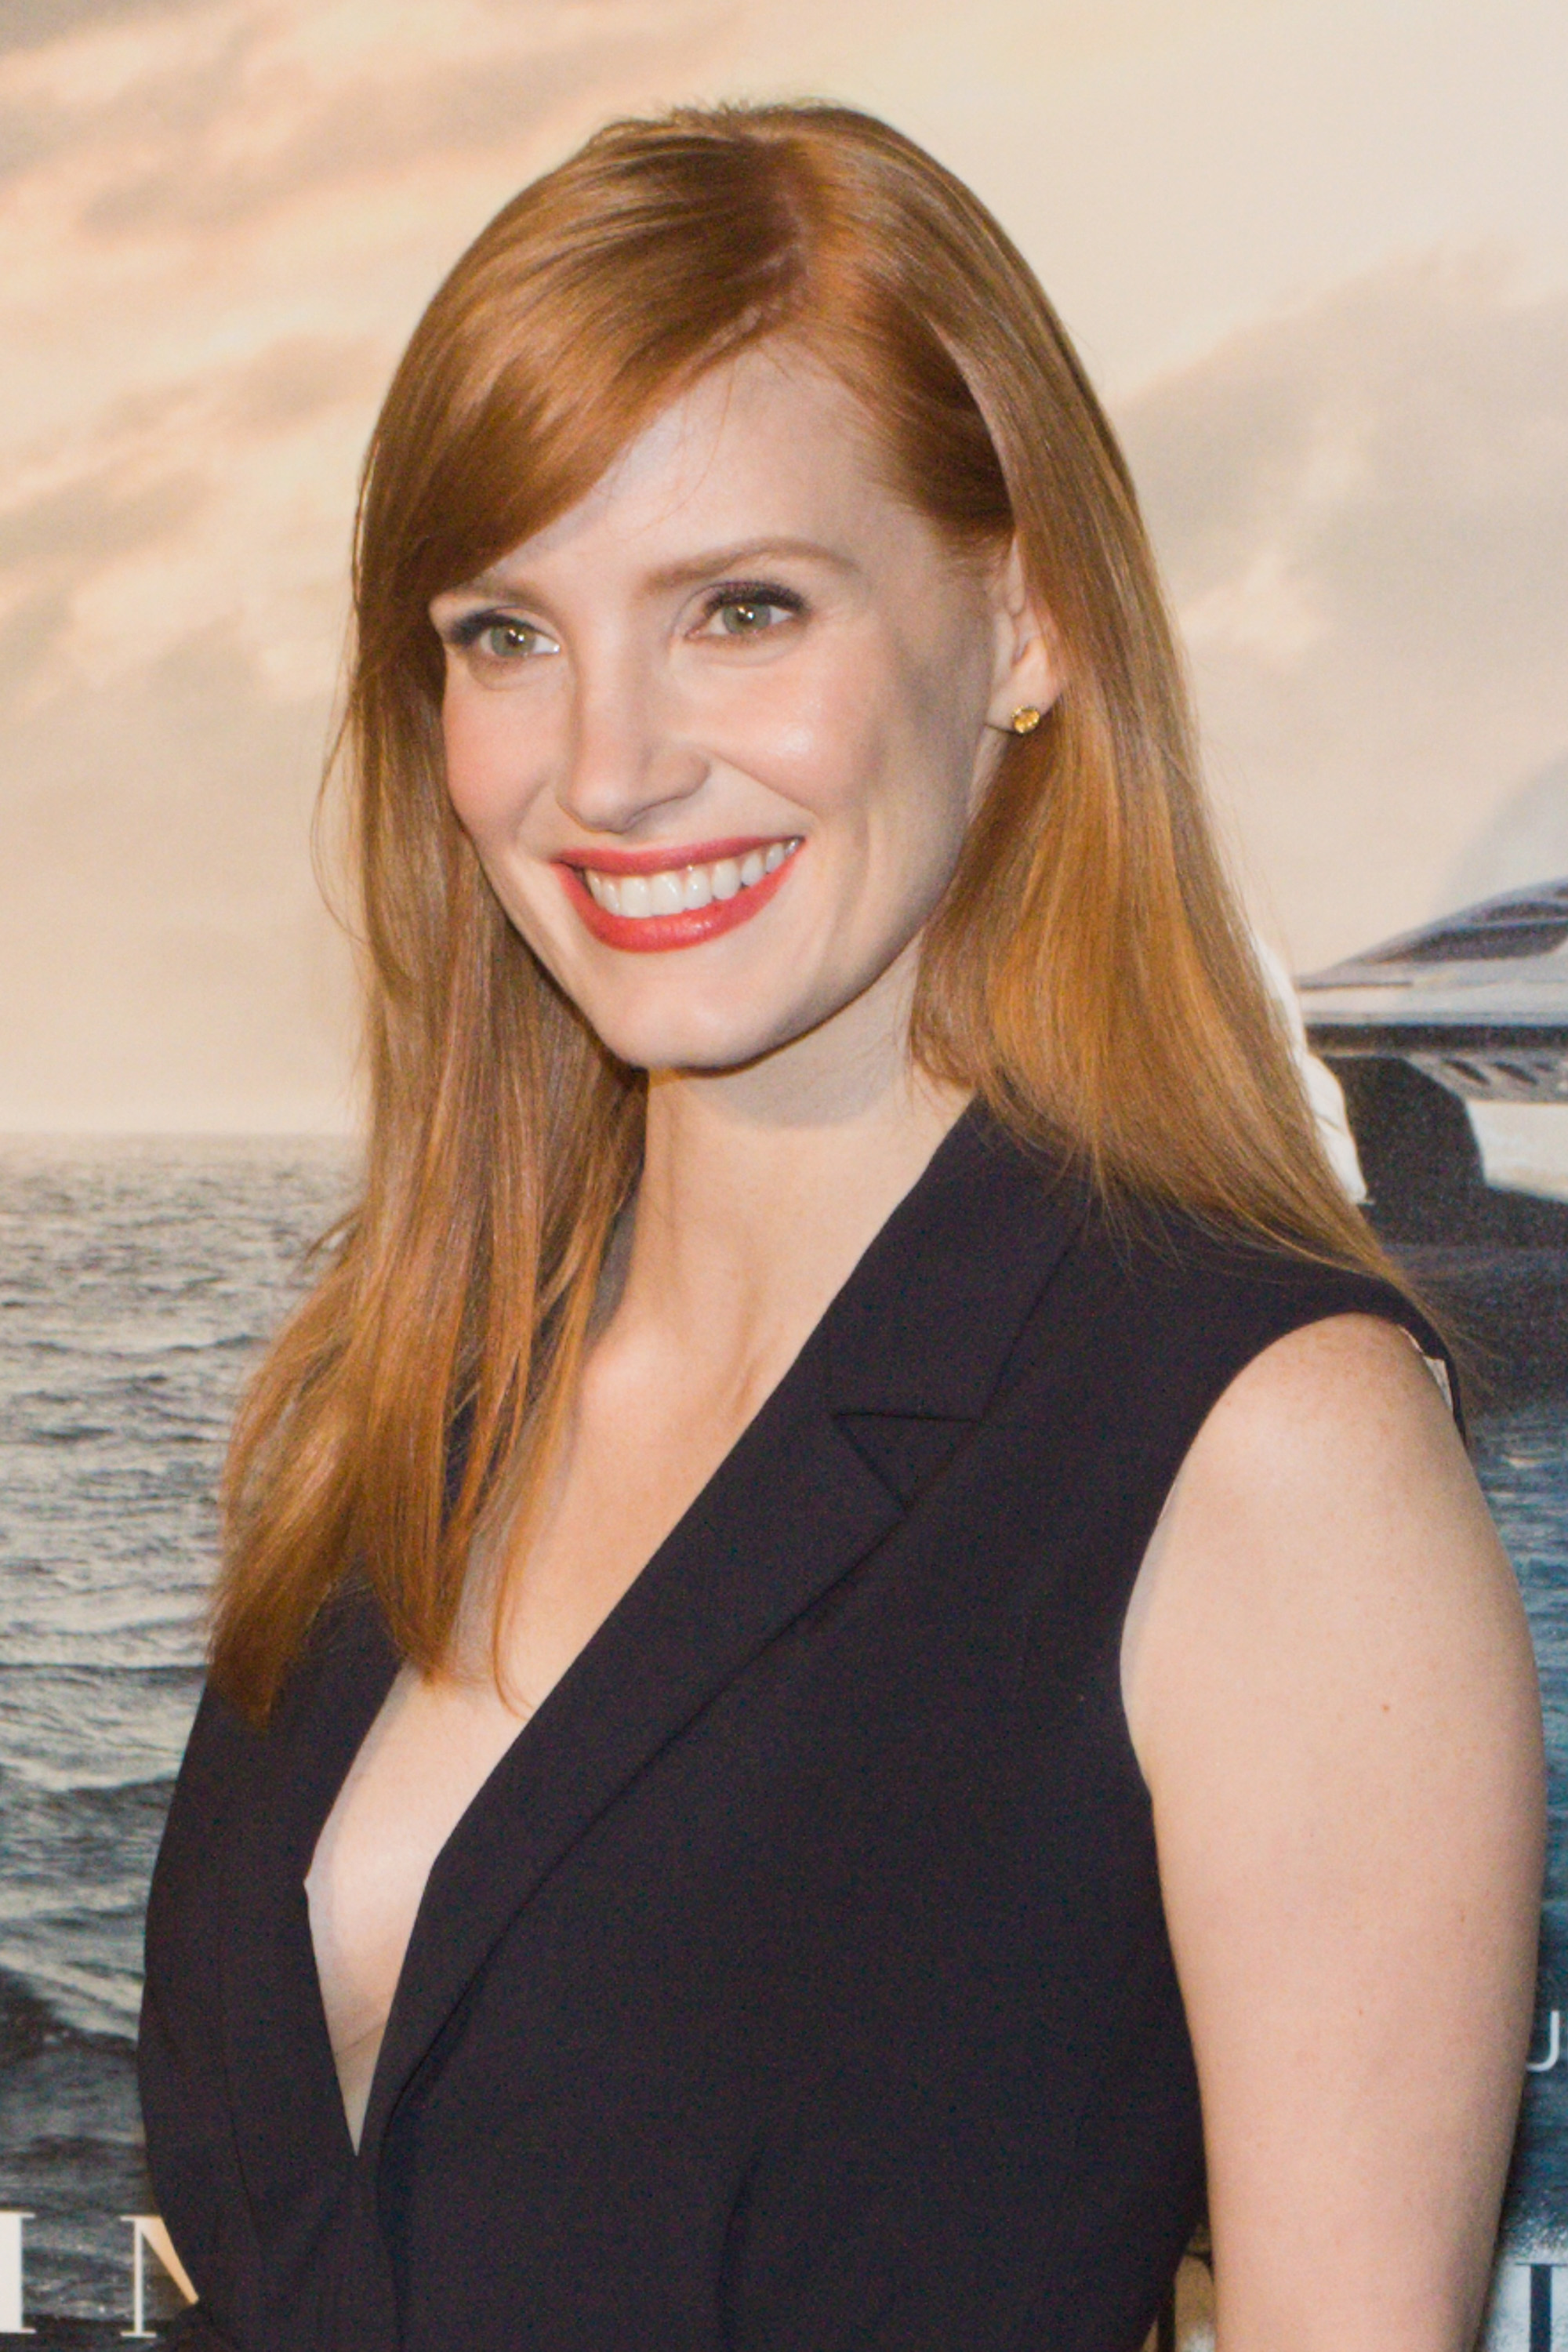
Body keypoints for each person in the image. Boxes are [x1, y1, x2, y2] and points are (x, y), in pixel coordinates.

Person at [139, 101, 1544, 2352]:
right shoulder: (397, 1391)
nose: (607, 766)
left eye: (743, 609)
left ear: (1026, 623)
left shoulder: (1263, 1452)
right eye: (507, 632)